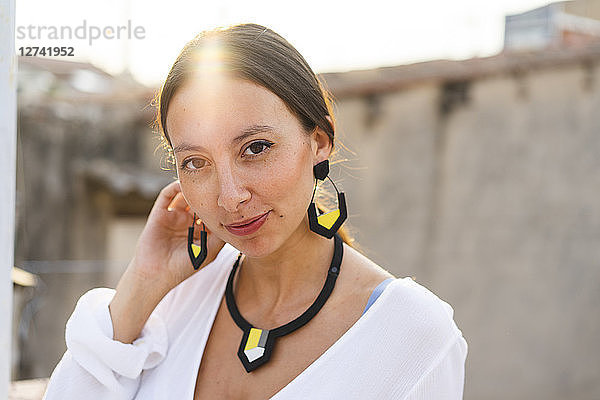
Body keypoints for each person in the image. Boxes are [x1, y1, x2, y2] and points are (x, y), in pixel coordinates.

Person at [43, 23, 467, 399]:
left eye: (256, 148)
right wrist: (142, 285)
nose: (229, 197)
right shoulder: (174, 300)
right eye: (195, 162)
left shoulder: (413, 337)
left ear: (319, 141)